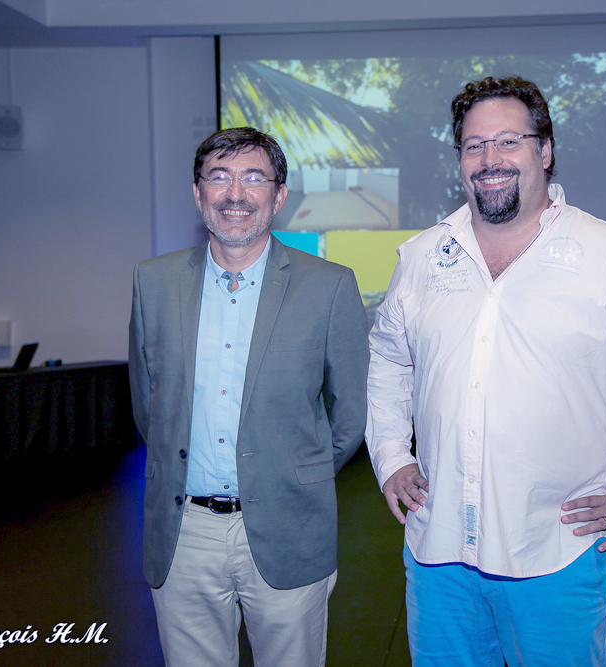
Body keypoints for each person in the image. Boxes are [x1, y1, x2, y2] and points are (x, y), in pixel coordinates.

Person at [366, 76, 606, 666]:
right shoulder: (423, 257)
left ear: (546, 149)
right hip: (438, 553)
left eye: (509, 141)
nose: (490, 159)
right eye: (474, 145)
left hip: (556, 555)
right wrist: (390, 453)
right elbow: (388, 357)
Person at [129, 127, 369, 667]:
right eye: (219, 176)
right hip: (183, 533)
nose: (235, 193)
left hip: (289, 525)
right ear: (198, 193)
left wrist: (297, 473)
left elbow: (351, 412)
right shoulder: (153, 282)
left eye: (254, 178)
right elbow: (148, 405)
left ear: (278, 196)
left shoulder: (328, 285)